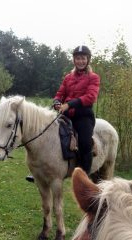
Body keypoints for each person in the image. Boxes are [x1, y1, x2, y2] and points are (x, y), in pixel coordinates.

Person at [26, 45, 101, 183]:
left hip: (83, 116)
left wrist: (69, 104)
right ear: (74, 60)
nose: (80, 61)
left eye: (83, 58)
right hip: (66, 114)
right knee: (47, 133)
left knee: (84, 143)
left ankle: (84, 176)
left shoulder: (93, 78)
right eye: (78, 58)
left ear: (88, 60)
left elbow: (91, 97)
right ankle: (39, 168)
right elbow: (60, 93)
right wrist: (56, 102)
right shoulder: (68, 77)